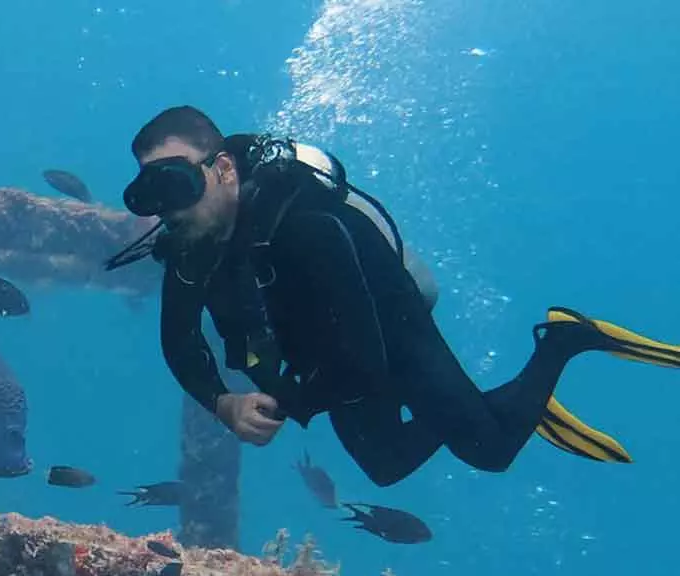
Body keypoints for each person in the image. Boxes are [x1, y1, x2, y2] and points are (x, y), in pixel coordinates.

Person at [106, 105, 680, 486]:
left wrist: (296, 402)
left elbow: (366, 360)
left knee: (489, 450)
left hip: (386, 321)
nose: (168, 209)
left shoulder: (307, 226)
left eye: (177, 183)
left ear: (224, 169)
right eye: (149, 193)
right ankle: (509, 403)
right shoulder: (191, 245)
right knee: (385, 466)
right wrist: (222, 403)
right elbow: (179, 342)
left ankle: (562, 339)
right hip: (323, 356)